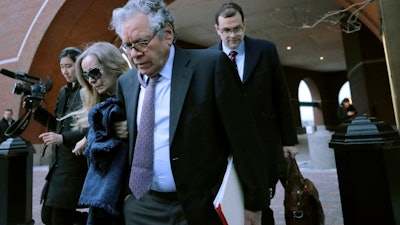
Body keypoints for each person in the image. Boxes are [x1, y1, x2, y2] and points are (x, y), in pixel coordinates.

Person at [110, 0, 269, 224]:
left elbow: (244, 138)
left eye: (141, 43)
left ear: (167, 33)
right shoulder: (126, 83)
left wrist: (254, 203)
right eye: (127, 46)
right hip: (143, 207)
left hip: (199, 207)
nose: (134, 54)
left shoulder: (210, 67)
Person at [209, 3, 299, 225]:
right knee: (230, 201)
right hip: (225, 147)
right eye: (227, 30)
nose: (233, 35)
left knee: (262, 201)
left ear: (245, 25)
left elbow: (281, 97)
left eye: (237, 28)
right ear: (217, 30)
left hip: (263, 143)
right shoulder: (208, 58)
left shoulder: (265, 50)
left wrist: (289, 140)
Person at [67, 41, 130, 224]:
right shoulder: (100, 102)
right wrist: (89, 137)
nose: (91, 80)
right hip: (105, 190)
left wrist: (132, 128)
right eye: (86, 76)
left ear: (112, 65)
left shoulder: (136, 92)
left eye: (95, 72)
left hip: (130, 190)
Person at [35, 47, 88, 225]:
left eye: (69, 66)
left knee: (59, 219)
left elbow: (90, 127)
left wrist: (63, 138)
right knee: (46, 217)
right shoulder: (64, 92)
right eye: (61, 66)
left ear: (79, 65)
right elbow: (57, 123)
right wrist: (36, 110)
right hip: (58, 164)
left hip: (74, 162)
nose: (64, 71)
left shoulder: (88, 90)